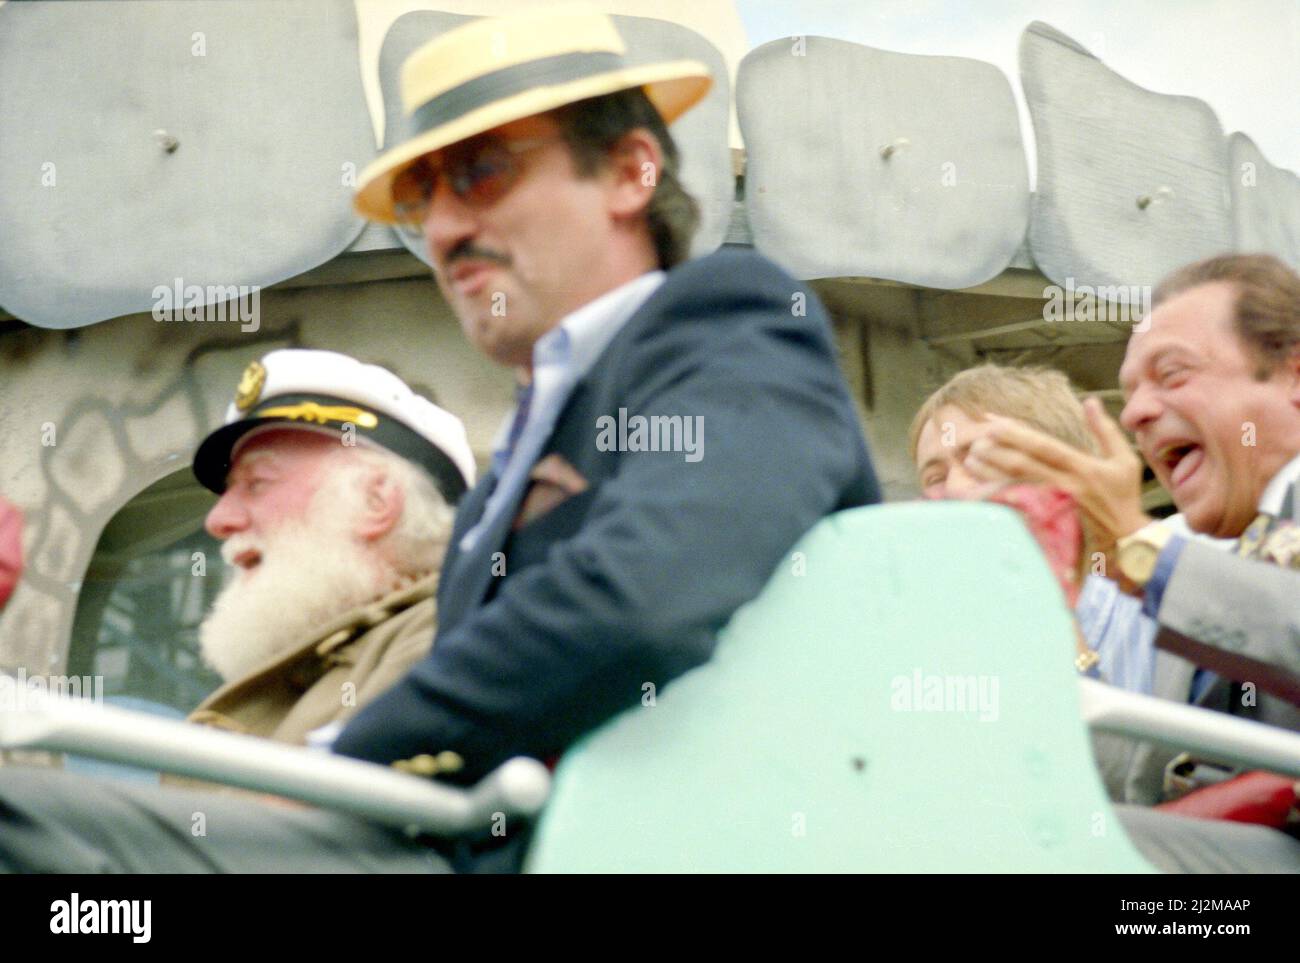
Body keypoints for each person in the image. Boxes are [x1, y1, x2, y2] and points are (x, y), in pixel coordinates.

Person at [0, 8, 878, 873]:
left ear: (629, 170)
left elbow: (644, 592)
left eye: (485, 173)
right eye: (423, 195)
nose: (446, 228)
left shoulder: (726, 313)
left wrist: (342, 769)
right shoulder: (544, 423)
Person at [964, 253, 1300, 871]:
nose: (1136, 414)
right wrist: (1052, 615)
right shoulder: (1202, 563)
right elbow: (1138, 786)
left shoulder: (1169, 568)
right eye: (1130, 392)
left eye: (1172, 375)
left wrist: (1141, 551)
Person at [182, 347, 474, 747]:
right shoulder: (317, 664)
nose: (218, 521)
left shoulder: (450, 637)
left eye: (257, 484)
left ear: (376, 503)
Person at [910, 363, 1156, 696]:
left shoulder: (1161, 620)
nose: (954, 489)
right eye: (935, 478)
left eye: (980, 459)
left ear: (1072, 467)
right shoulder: (926, 645)